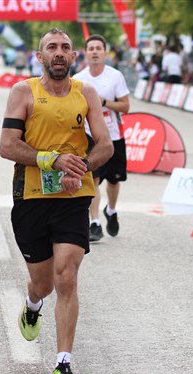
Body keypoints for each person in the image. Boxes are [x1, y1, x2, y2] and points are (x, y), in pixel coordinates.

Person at [0, 28, 113, 374]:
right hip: (31, 198)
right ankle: (32, 304)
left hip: (73, 197)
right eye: (52, 47)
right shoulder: (23, 92)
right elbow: (7, 146)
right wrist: (51, 160)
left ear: (73, 56)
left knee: (67, 276)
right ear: (40, 56)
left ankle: (63, 364)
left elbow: (106, 145)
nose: (59, 52)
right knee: (44, 284)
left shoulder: (86, 93)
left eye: (65, 47)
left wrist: (80, 167)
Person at [73, 34, 130, 242]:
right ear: (86, 53)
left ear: (105, 53)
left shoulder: (115, 76)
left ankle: (111, 211)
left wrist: (103, 102)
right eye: (91, 48)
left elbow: (125, 106)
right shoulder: (78, 79)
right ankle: (95, 223)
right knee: (92, 178)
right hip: (90, 137)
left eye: (98, 48)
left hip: (113, 135)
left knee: (114, 181)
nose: (95, 52)